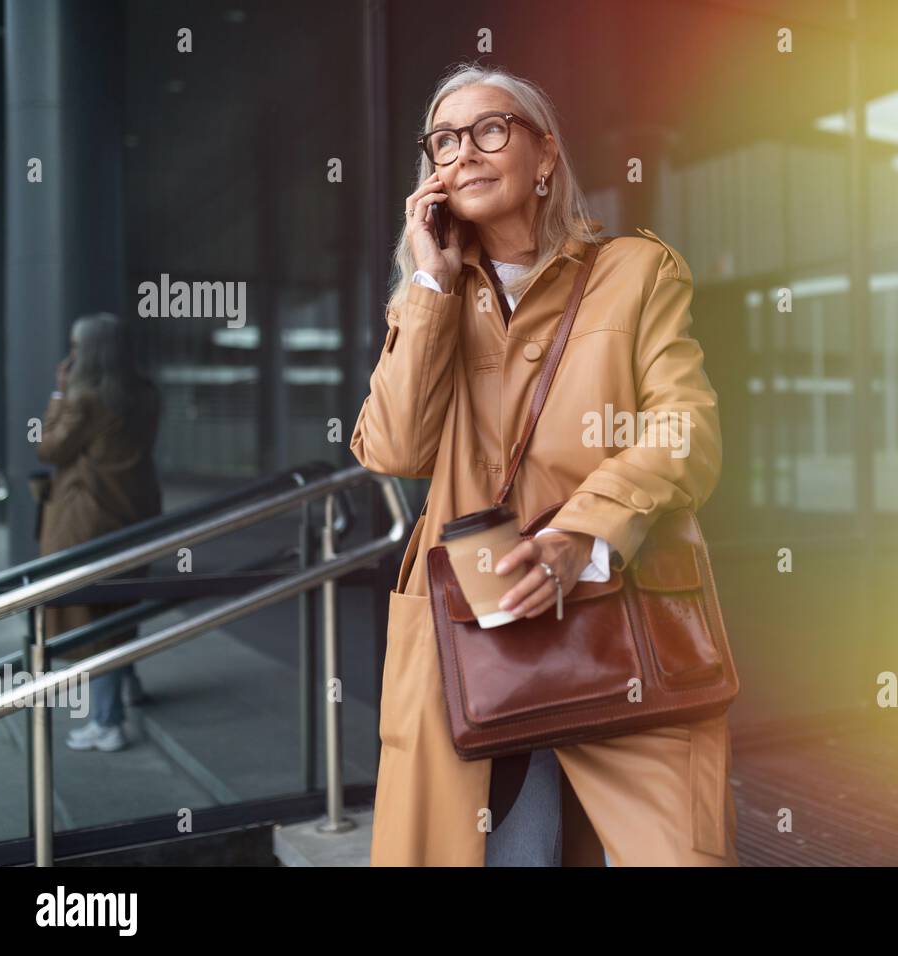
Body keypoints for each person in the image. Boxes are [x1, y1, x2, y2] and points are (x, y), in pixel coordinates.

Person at [350, 62, 738, 866]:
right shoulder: (432, 299)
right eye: (444, 141)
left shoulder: (635, 272)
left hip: (621, 616)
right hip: (474, 632)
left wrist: (581, 536)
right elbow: (393, 449)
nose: (465, 153)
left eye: (491, 130)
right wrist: (429, 279)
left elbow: (684, 428)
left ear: (546, 156)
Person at [35, 312, 163, 753]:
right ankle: (129, 686)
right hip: (138, 513)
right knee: (121, 603)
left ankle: (108, 722)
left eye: (75, 345)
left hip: (88, 520)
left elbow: (49, 448)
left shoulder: (85, 398)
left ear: (86, 351)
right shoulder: (146, 394)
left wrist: (58, 391)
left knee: (96, 621)